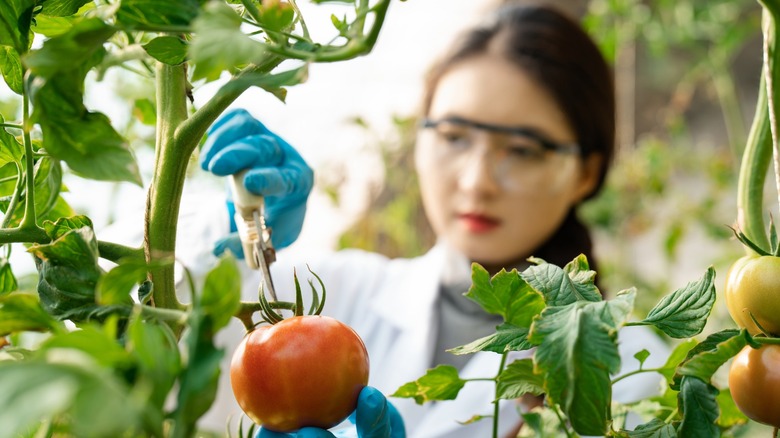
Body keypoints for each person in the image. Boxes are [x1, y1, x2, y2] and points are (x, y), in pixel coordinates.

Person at [189, 3, 670, 437]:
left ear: (586, 172)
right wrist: (229, 238)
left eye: (523, 150)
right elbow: (147, 333)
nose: (477, 181)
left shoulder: (631, 372)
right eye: (455, 136)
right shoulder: (338, 298)